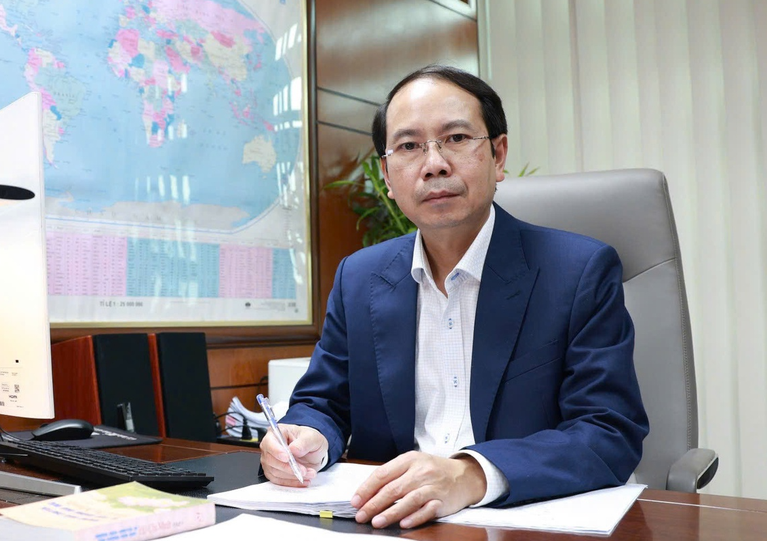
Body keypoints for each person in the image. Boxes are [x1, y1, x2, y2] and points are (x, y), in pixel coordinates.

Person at [259, 65, 649, 529]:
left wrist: (470, 475)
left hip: (522, 523)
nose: (434, 164)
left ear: (498, 155)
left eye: (457, 138)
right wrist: (306, 439)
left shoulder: (578, 271)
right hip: (387, 522)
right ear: (387, 176)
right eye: (409, 146)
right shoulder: (359, 277)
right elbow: (323, 402)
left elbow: (608, 431)